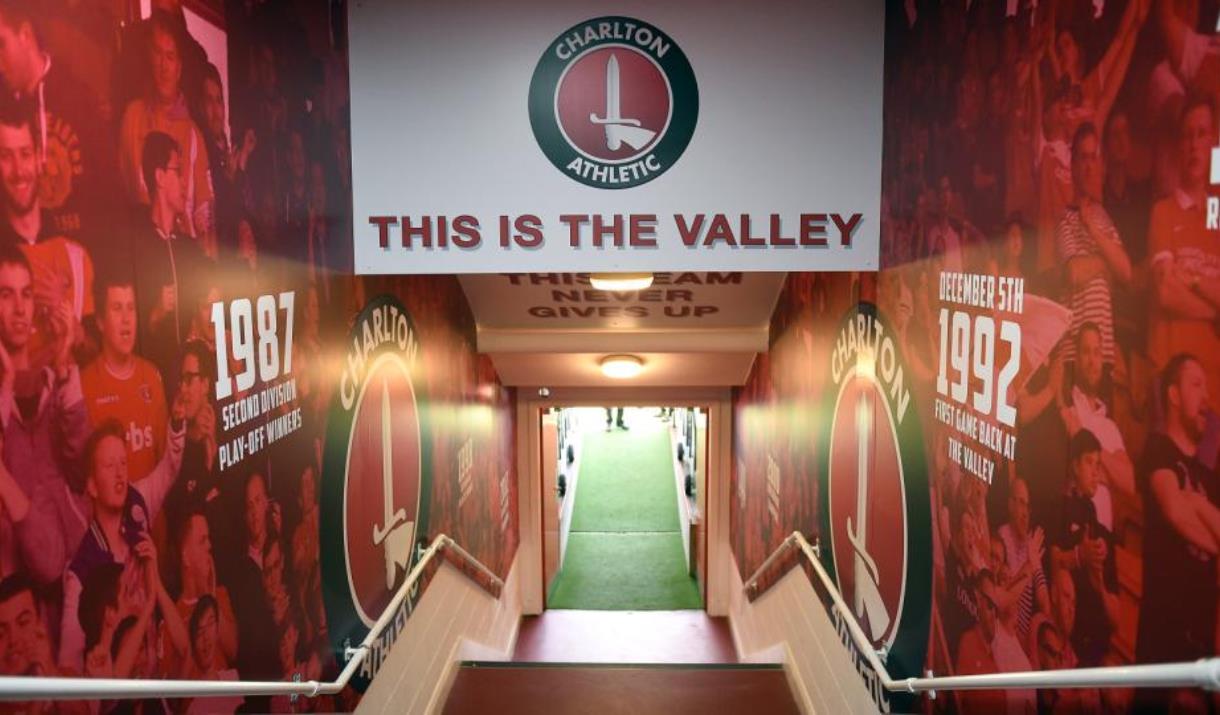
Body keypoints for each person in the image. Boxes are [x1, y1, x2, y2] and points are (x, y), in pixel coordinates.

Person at [59, 416, 185, 671]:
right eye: (109, 465)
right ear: (92, 486)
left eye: (123, 463)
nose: (120, 473)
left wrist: (177, 424)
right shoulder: (81, 574)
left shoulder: (137, 501)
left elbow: (168, 470)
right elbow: (68, 665)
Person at [0, 243, 88, 587]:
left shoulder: (54, 379)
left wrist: (65, 360)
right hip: (20, 589)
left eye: (26, 294)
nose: (20, 309)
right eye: (6, 295)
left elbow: (82, 468)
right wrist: (6, 385)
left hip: (78, 575)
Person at [0, 0, 117, 251]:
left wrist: (117, 277)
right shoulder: (4, 108)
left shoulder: (78, 97)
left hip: (83, 265)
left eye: (1, 45)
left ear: (25, 35)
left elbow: (109, 189)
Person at [1137, 355, 1220, 682]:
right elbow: (1175, 510)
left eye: (1207, 388)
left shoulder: (1210, 478)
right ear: (1173, 395)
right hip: (1161, 644)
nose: (1207, 398)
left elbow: (1189, 510)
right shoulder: (1158, 450)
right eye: (1196, 385)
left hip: (1202, 647)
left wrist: (1196, 504)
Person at [0, 101, 94, 366]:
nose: (19, 171)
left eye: (25, 154)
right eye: (6, 156)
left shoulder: (76, 256)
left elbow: (95, 356)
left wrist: (73, 330)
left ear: (40, 157)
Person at [117, 14, 213, 244]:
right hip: (144, 259)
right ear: (149, 58)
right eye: (158, 54)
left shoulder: (193, 135)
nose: (163, 65)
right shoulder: (132, 117)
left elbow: (205, 222)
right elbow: (120, 196)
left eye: (170, 57)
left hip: (184, 266)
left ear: (179, 68)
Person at [1147, 98, 1220, 393]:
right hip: (1172, 385)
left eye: (1201, 134)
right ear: (1178, 146)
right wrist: (1215, 312)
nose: (1193, 144)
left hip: (1214, 385)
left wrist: (1189, 278)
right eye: (1187, 135)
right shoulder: (1163, 211)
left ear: (1213, 143)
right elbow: (1165, 292)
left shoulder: (1216, 216)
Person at [1055, 122, 1132, 368]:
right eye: (1083, 158)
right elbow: (1074, 272)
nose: (1089, 165)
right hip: (1074, 357)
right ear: (1073, 164)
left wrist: (1092, 230)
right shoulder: (1064, 219)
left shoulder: (1105, 221)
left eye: (1093, 157)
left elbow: (1126, 272)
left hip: (1103, 356)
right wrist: (1105, 262)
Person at [130, 131, 206, 378]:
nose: (185, 183)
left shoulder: (189, 249)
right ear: (160, 177)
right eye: (178, 172)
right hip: (154, 384)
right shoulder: (138, 249)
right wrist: (156, 313)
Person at [81, 277, 167, 481]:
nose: (126, 318)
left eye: (131, 308)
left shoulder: (152, 375)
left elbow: (165, 462)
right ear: (100, 321)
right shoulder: (84, 385)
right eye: (117, 308)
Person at [1049, 429, 1120, 667]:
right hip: (1070, 642)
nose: (1095, 471)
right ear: (1074, 466)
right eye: (1089, 462)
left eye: (1098, 464)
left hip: (1099, 645)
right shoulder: (1058, 509)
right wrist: (1079, 556)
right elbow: (1052, 561)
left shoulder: (1100, 530)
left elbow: (1117, 618)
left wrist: (1098, 580)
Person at [996, 478, 1050, 649]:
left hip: (1024, 643)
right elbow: (1005, 599)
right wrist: (1029, 564)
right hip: (1003, 633)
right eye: (1019, 503)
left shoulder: (1031, 545)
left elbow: (1045, 603)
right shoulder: (1001, 538)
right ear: (1009, 505)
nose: (1024, 512)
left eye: (1027, 505)